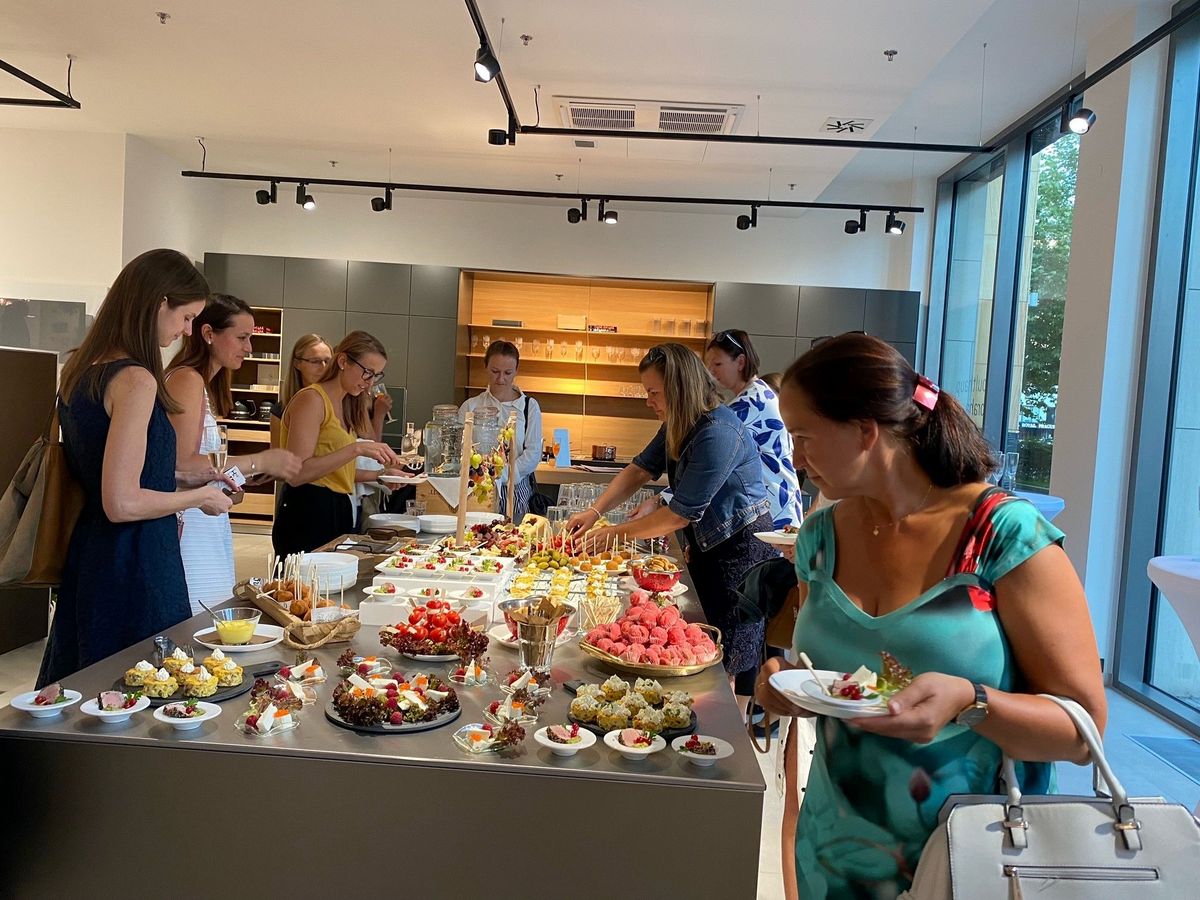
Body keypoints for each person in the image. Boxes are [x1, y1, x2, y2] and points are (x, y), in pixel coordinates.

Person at [754, 333, 1106, 899]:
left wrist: (971, 701)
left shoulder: (1001, 536)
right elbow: (836, 672)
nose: (794, 458)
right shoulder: (820, 538)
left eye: (804, 437)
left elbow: (1083, 731)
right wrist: (785, 681)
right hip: (836, 853)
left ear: (864, 429)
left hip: (971, 862)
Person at [36, 249, 234, 686]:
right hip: (135, 562)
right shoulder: (136, 379)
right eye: (186, 317)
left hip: (94, 553)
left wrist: (186, 476)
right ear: (159, 302)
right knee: (145, 688)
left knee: (90, 687)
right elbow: (122, 501)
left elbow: (109, 467)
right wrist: (198, 497)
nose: (187, 331)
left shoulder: (81, 369)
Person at [564, 343, 778, 701]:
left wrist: (613, 533)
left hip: (739, 554)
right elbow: (639, 470)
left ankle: (727, 729)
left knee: (724, 661)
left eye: (654, 392)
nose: (648, 401)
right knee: (699, 652)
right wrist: (595, 512)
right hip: (711, 546)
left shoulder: (718, 432)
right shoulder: (680, 422)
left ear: (679, 388)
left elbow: (679, 513)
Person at [165, 294, 301, 614]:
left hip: (206, 522)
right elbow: (182, 463)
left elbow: (202, 469)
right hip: (191, 527)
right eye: (241, 338)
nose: (248, 347)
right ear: (209, 334)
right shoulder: (187, 379)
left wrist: (236, 479)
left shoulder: (200, 384)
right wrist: (260, 460)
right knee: (198, 619)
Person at [273, 330, 399, 555]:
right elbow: (297, 474)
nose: (370, 383)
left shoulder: (345, 403)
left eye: (376, 376)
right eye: (367, 373)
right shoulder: (311, 399)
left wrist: (380, 476)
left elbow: (333, 471)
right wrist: (356, 449)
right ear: (342, 361)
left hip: (339, 506)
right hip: (307, 510)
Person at [705, 329, 802, 530]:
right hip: (782, 508)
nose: (711, 371)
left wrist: (664, 500)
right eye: (709, 365)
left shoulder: (749, 405)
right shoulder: (759, 394)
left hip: (774, 515)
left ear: (740, 362)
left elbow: (711, 463)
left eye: (718, 364)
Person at [458, 340, 543, 521]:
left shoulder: (529, 407)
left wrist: (504, 475)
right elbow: (460, 449)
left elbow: (533, 453)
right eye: (495, 371)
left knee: (513, 532)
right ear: (486, 367)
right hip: (478, 488)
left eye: (508, 373)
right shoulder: (470, 406)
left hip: (517, 488)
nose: (501, 379)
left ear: (516, 370)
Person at [270, 333, 333, 448]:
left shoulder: (340, 405)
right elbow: (276, 455)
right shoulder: (281, 410)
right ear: (297, 364)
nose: (324, 368)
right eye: (315, 361)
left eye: (328, 361)